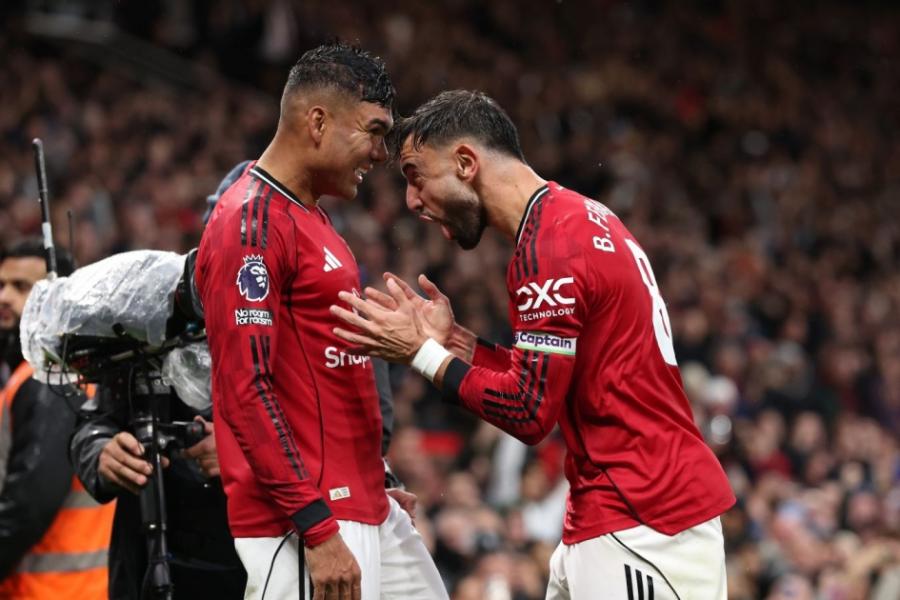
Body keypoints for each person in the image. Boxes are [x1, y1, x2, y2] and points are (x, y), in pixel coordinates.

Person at [329, 90, 737, 599]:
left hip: (644, 519)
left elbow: (528, 411)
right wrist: (453, 342)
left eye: (416, 175)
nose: (412, 200)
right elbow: (553, 376)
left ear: (466, 163)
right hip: (621, 507)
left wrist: (421, 354)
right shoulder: (579, 216)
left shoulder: (549, 248)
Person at [195, 43, 446, 600]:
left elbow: (328, 375)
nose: (380, 153)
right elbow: (244, 390)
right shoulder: (250, 224)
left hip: (363, 502)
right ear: (317, 122)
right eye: (374, 131)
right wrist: (314, 523)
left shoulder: (311, 219)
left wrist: (376, 479)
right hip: (308, 518)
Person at [0, 239, 114, 600]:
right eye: (1, 285)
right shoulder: (70, 372)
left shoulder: (46, 380)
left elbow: (29, 504)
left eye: (21, 287)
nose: (4, 297)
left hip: (46, 589)